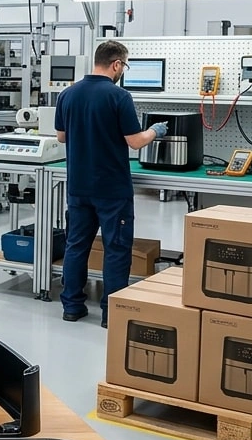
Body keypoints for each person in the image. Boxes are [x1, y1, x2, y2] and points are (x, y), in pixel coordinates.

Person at [55, 40, 168, 328]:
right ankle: (111, 313)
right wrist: (155, 130)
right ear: (116, 64)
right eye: (124, 66)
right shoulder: (119, 97)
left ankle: (72, 307)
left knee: (76, 245)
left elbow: (61, 137)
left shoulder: (67, 94)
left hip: (78, 186)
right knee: (116, 249)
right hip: (111, 189)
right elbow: (134, 142)